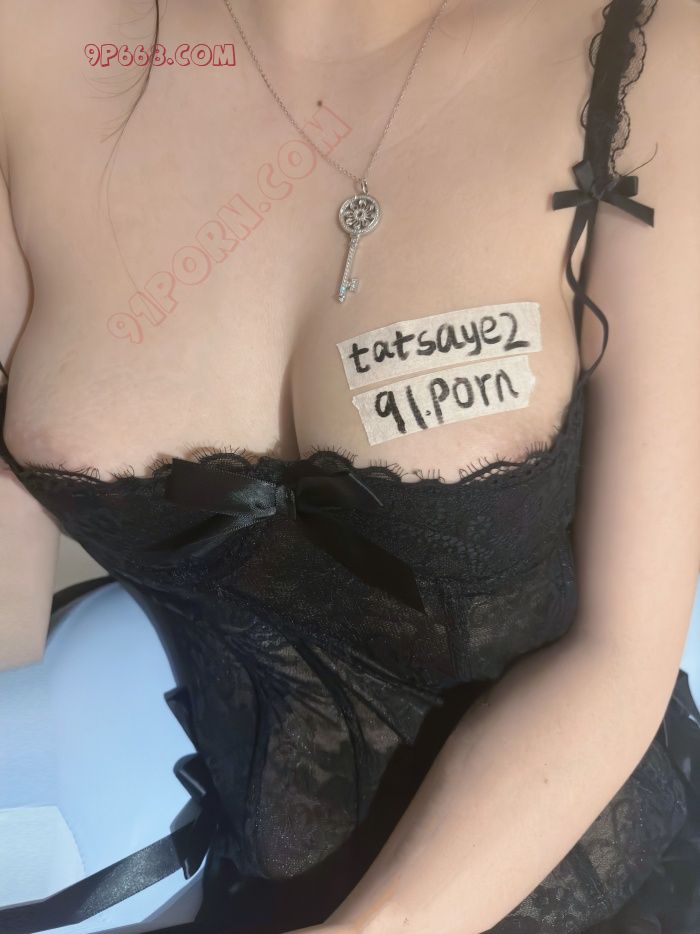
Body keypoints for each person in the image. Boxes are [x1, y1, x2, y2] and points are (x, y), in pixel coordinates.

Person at [0, 1, 698, 932]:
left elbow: (623, 659)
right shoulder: (34, 46)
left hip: (582, 883)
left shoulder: (638, 50)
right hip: (242, 888)